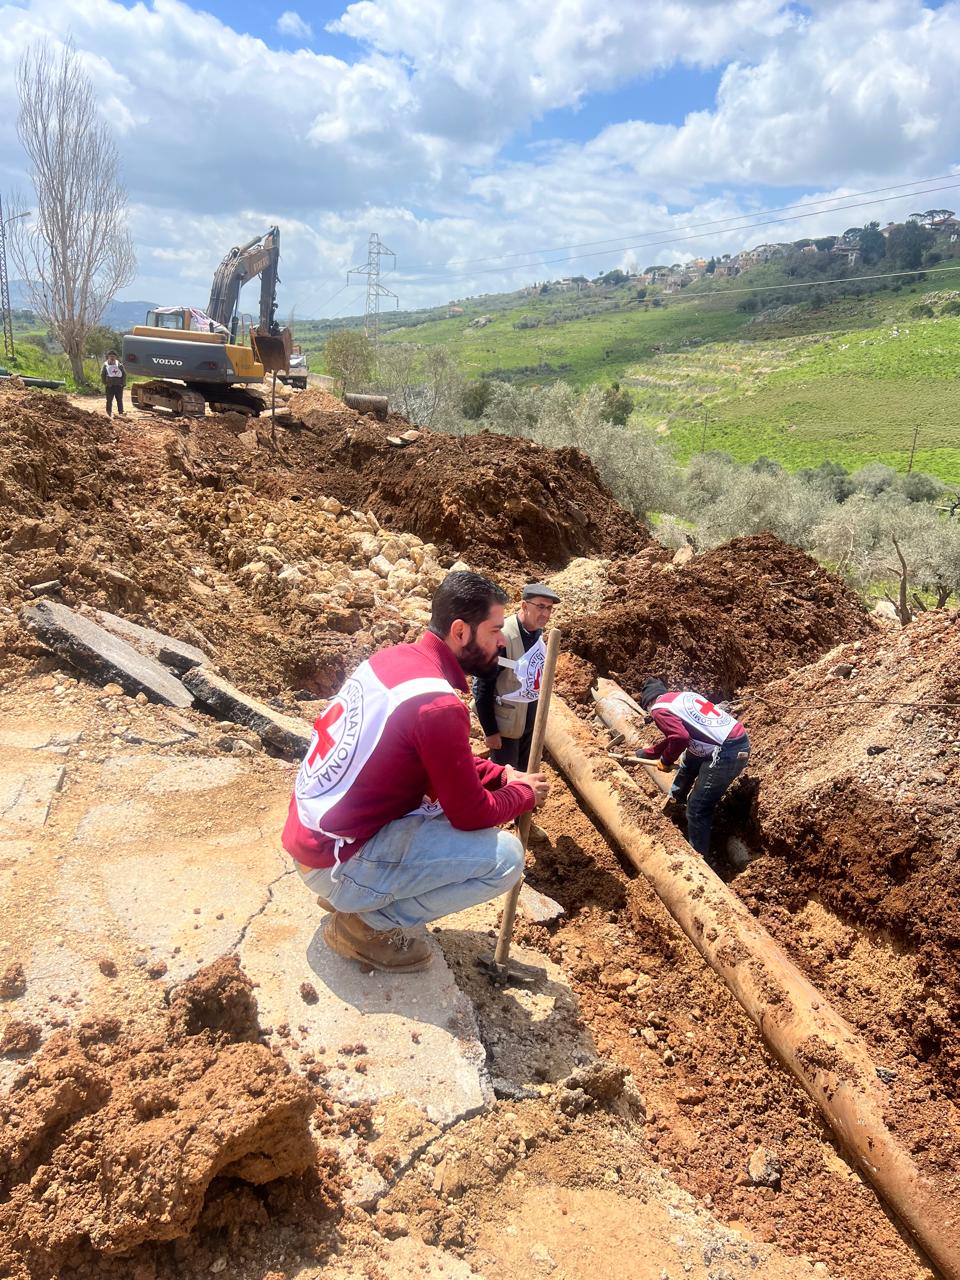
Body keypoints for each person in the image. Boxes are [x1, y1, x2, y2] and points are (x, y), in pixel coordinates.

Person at [282, 571, 550, 973]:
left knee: (442, 810)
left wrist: (500, 777)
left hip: (314, 837)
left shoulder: (395, 660)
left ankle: (361, 895)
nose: (500, 641)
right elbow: (471, 813)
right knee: (506, 860)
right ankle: (367, 924)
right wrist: (523, 794)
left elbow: (437, 758)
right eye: (495, 629)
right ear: (460, 631)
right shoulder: (438, 706)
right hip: (334, 860)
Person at [636, 678, 750, 860]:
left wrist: (666, 760)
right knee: (689, 762)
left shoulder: (658, 710)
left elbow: (680, 738)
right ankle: (675, 803)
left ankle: (699, 859)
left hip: (726, 751)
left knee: (697, 808)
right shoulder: (681, 697)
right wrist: (650, 752)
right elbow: (682, 733)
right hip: (730, 740)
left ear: (648, 703)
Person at [472, 582, 561, 771]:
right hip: (506, 728)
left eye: (549, 608)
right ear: (524, 606)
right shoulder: (504, 637)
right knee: (507, 782)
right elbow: (482, 686)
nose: (545, 614)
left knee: (524, 777)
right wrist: (491, 731)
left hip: (529, 723)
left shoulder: (537, 634)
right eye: (541, 607)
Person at [100, 350, 126, 418]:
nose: (112, 357)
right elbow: (102, 374)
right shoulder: (105, 365)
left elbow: (124, 375)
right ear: (108, 357)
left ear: (116, 357)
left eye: (113, 356)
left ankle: (121, 413)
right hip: (110, 386)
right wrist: (105, 383)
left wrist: (123, 384)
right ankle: (108, 413)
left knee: (119, 400)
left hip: (118, 386)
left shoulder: (119, 365)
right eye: (110, 356)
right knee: (109, 400)